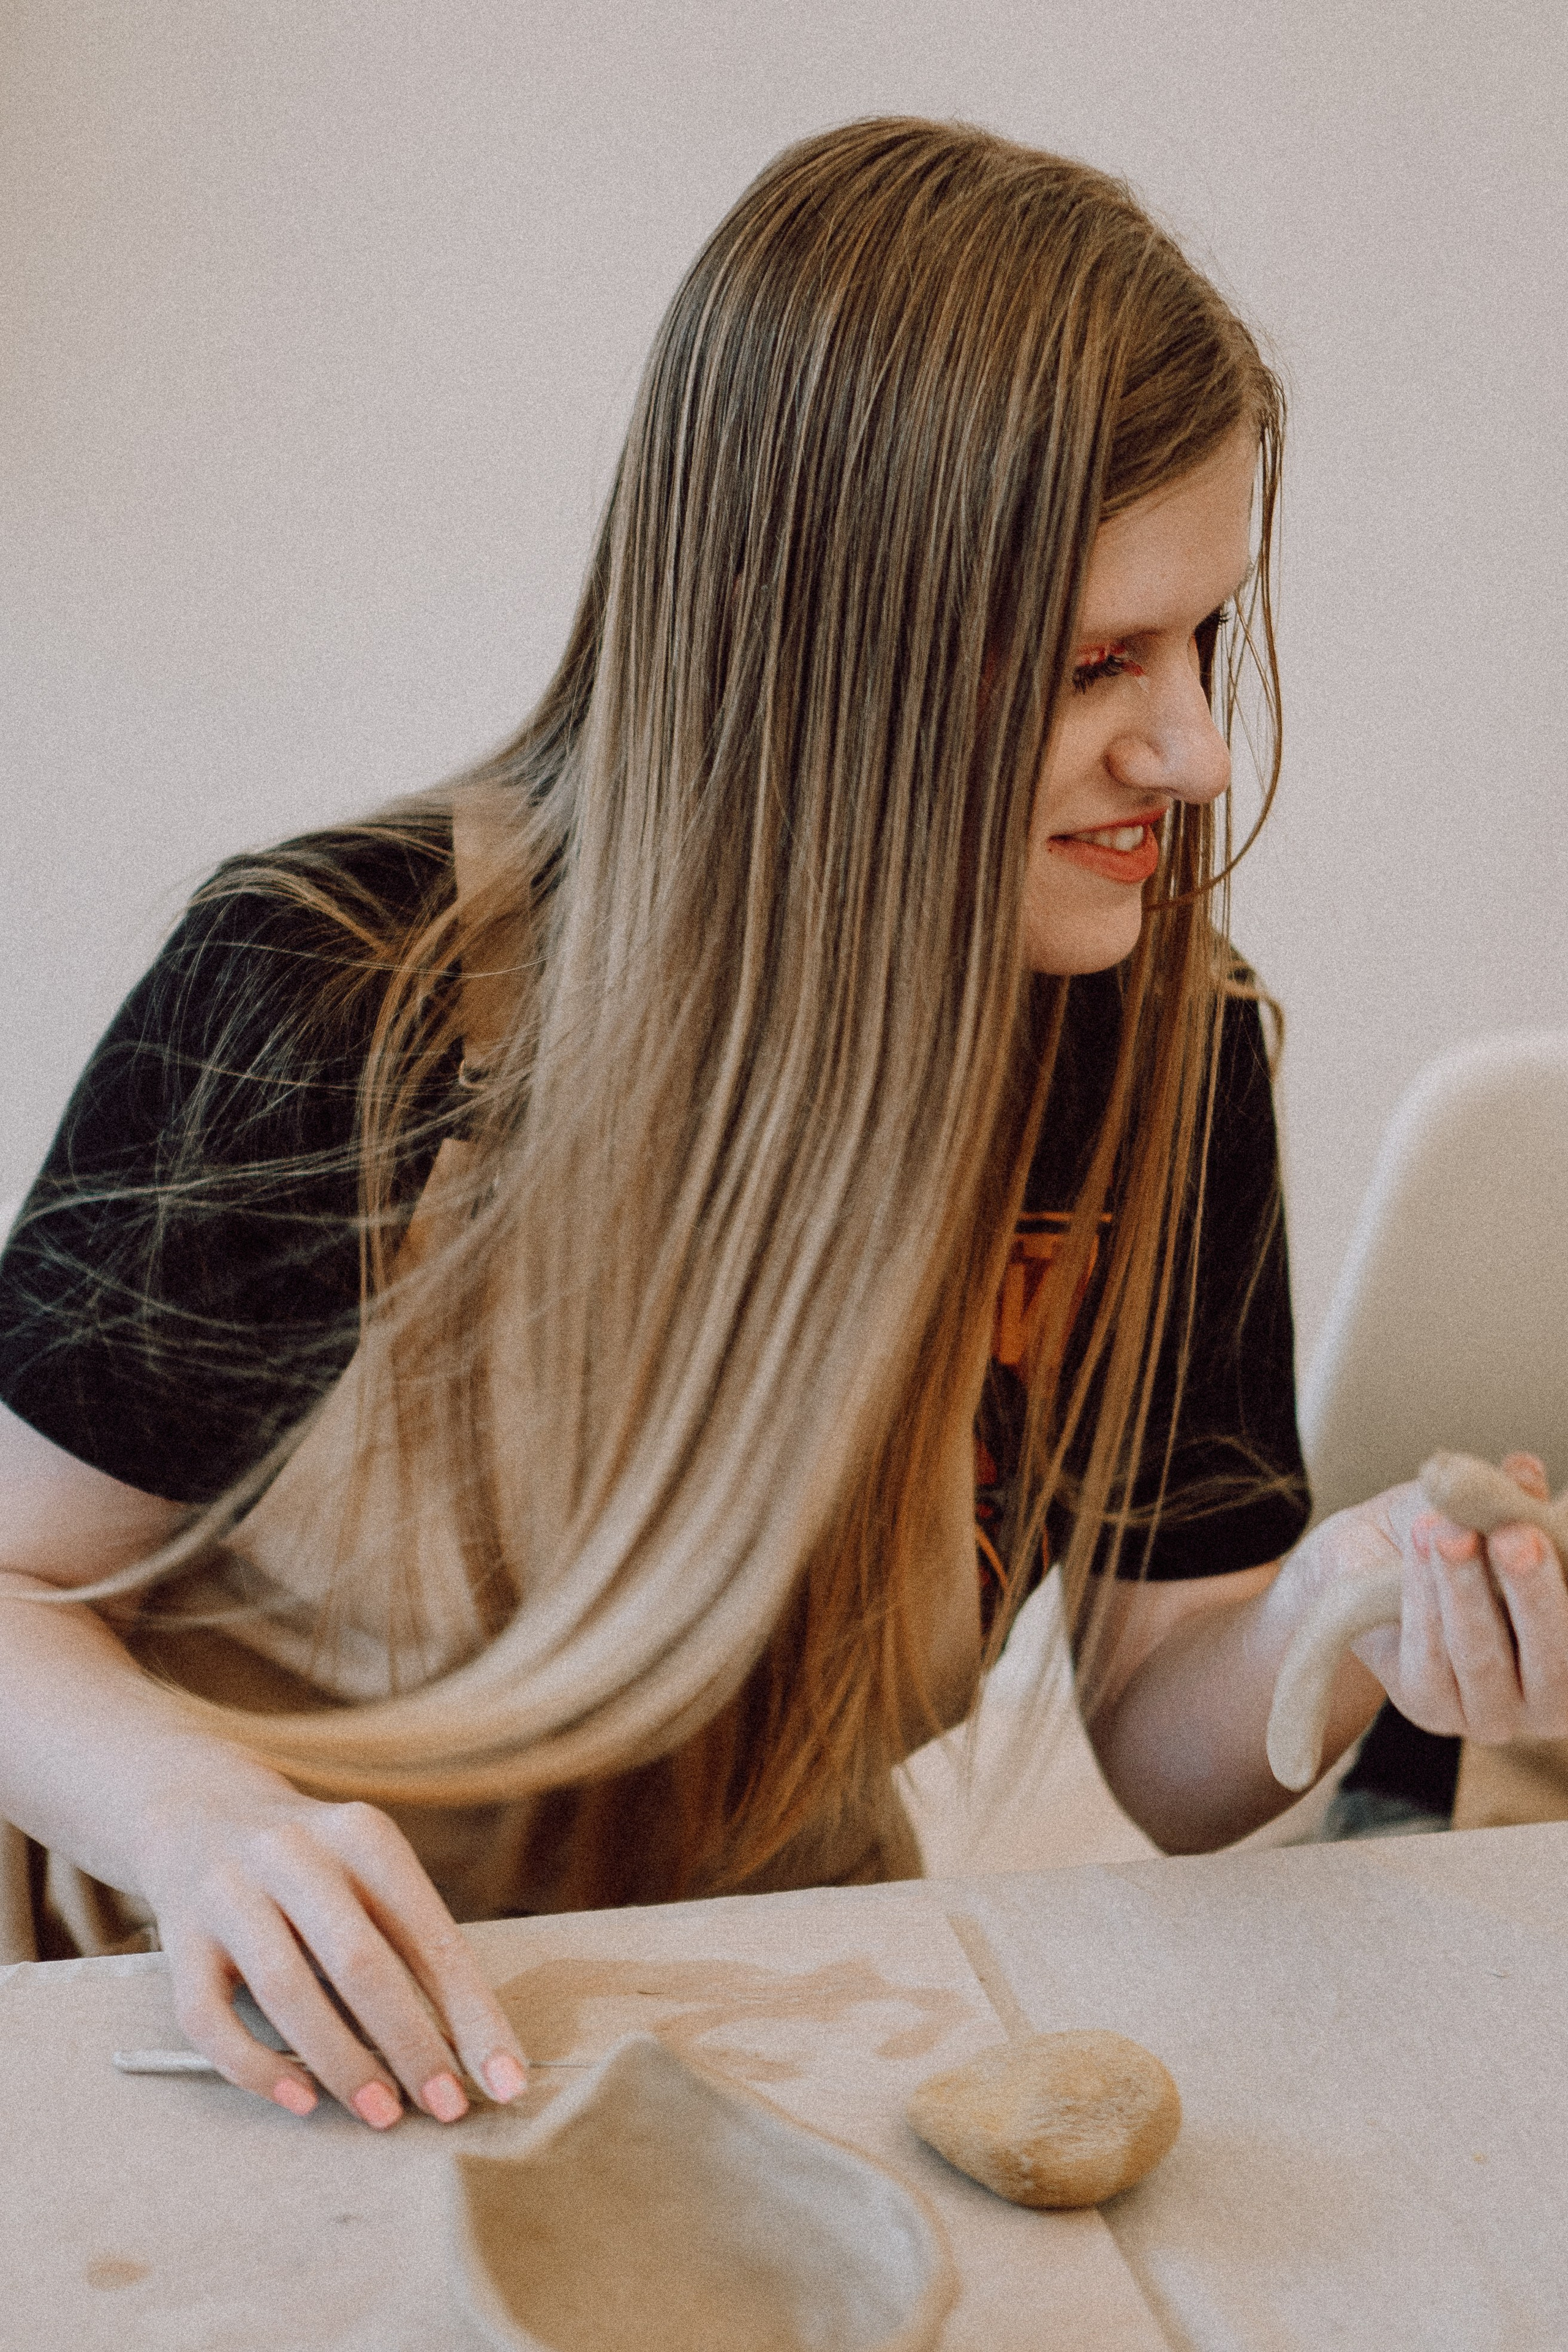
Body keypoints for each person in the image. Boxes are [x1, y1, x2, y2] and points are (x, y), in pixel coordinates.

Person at [2, 118, 1562, 2135]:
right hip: (235, 2052)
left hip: (783, 2029)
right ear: (829, 655)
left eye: (1203, 640)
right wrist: (202, 1815)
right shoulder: (333, 1002)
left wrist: (1351, 1620)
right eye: (1102, 661)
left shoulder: (1155, 1049)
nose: (1196, 750)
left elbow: (1174, 1751)